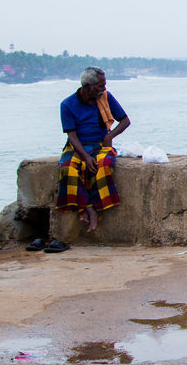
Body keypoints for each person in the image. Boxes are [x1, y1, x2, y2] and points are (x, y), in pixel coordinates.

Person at [55, 66, 130, 238]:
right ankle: (88, 208)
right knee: (69, 168)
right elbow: (71, 135)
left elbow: (125, 120)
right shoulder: (67, 105)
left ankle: (96, 206)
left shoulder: (105, 97)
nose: (103, 89)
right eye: (100, 86)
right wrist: (86, 157)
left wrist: (110, 135)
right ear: (87, 86)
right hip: (78, 146)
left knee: (104, 165)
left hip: (99, 144)